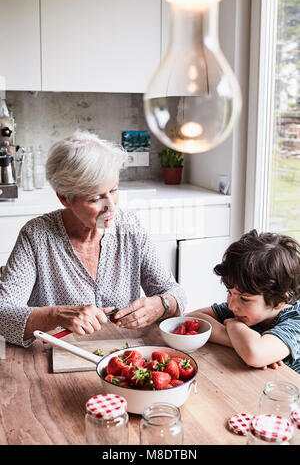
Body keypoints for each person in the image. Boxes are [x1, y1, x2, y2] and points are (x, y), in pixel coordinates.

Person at [0, 131, 186, 347]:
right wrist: (57, 315)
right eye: (95, 198)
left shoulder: (130, 228)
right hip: (55, 359)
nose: (110, 206)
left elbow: (176, 293)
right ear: (64, 198)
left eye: (114, 190)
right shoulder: (36, 236)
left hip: (123, 358)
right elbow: (3, 313)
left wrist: (161, 304)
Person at [187, 230, 300, 373]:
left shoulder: (296, 321)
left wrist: (233, 325)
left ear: (279, 301)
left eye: (244, 298)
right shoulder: (242, 311)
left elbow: (255, 355)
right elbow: (192, 319)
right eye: (229, 292)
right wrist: (239, 342)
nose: (231, 305)